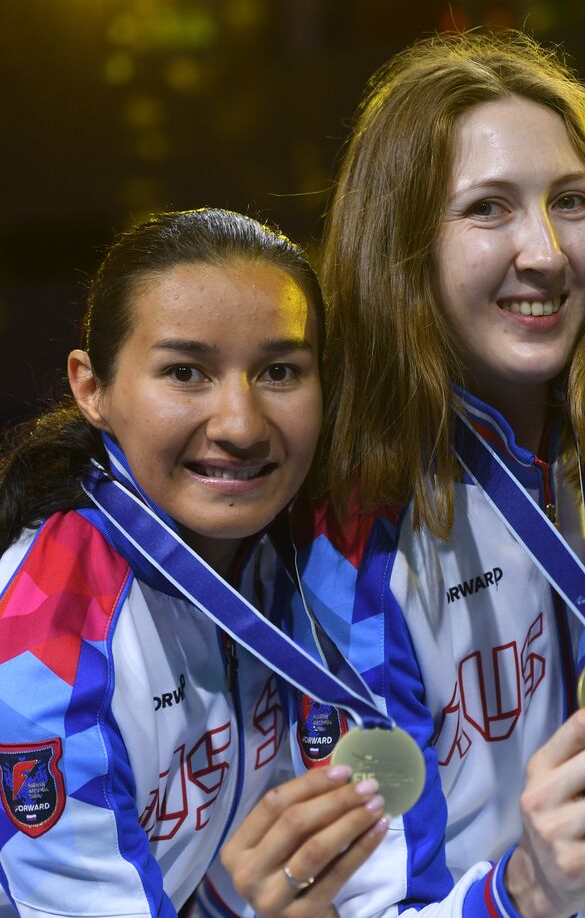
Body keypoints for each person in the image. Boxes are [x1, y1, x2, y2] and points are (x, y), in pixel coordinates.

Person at [223, 31, 585, 917]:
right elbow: (370, 904)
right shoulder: (349, 541)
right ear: (404, 249)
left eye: (570, 201)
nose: (544, 251)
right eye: (489, 209)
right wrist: (527, 891)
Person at [0, 208, 374, 916]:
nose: (239, 424)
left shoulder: (290, 564)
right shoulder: (38, 649)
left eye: (279, 370)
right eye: (185, 371)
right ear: (92, 389)